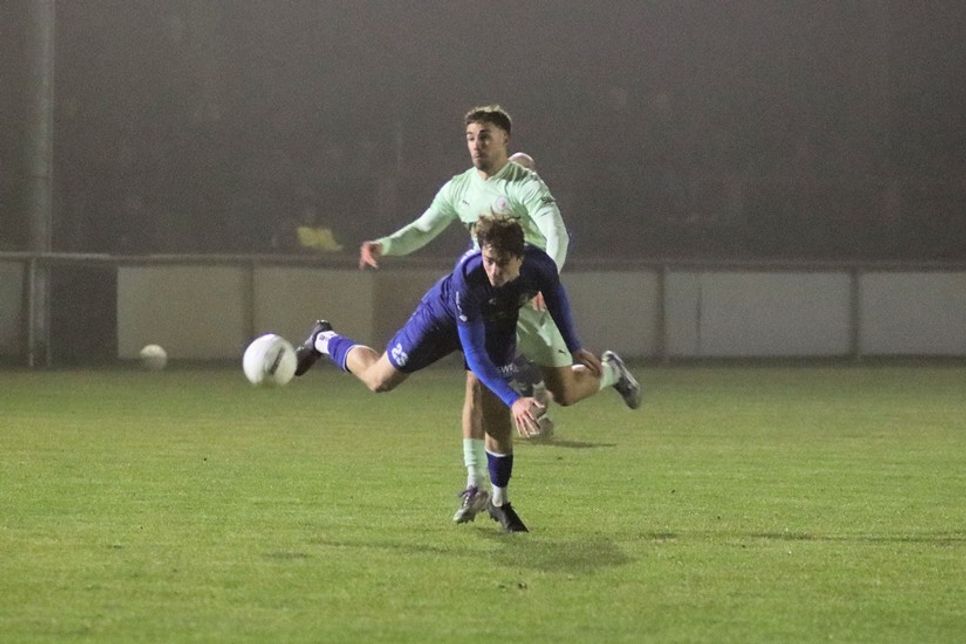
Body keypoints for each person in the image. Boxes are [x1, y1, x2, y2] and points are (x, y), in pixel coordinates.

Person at [295, 215, 641, 533]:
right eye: (488, 260)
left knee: (497, 417)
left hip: (497, 323)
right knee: (378, 380)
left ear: (520, 258)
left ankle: (500, 502)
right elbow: (475, 356)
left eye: (501, 263)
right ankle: (323, 339)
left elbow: (556, 297)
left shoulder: (541, 267)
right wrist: (515, 398)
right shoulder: (469, 277)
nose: (493, 270)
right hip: (441, 319)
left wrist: (575, 345)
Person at [358, 105, 601, 524]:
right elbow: (423, 228)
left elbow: (556, 232)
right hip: (484, 299)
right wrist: (386, 245)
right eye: (471, 137)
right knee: (479, 384)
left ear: (506, 139)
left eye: (485, 136)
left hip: (529, 297)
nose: (477, 145)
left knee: (563, 392)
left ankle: (609, 372)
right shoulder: (459, 189)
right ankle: (479, 488)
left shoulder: (525, 184)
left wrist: (546, 284)